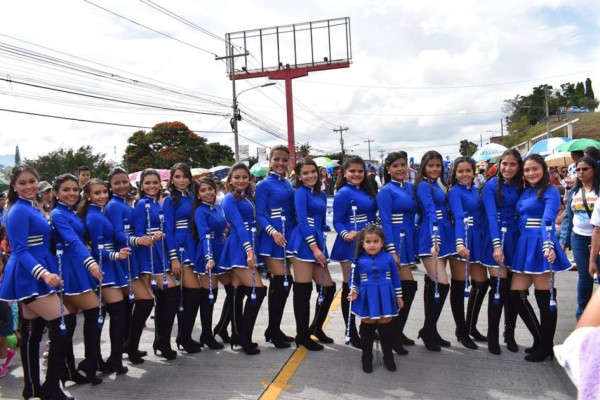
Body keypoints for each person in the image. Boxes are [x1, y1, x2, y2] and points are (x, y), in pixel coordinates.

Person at [0, 165, 75, 400]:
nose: (29, 186)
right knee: (65, 321)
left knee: (33, 332)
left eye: (32, 181)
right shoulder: (19, 211)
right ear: (14, 186)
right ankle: (51, 385)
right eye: (22, 183)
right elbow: (20, 250)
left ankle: (32, 387)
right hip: (28, 275)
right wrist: (43, 274)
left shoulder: (31, 207)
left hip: (36, 271)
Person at [510, 154, 572, 362]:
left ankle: (546, 346)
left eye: (535, 169)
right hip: (524, 244)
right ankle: (540, 338)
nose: (531, 173)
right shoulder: (526, 190)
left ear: (544, 170)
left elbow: (547, 220)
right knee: (516, 294)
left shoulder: (551, 191)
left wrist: (547, 245)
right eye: (527, 170)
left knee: (545, 297)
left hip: (539, 244)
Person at [50, 174, 104, 385]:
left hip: (76, 265)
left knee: (69, 321)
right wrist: (90, 262)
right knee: (94, 312)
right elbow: (72, 240)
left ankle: (69, 369)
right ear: (56, 193)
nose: (72, 193)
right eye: (66, 190)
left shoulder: (70, 211)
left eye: (74, 189)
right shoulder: (57, 214)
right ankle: (87, 365)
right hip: (71, 267)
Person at [79, 179, 132, 374]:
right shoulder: (94, 217)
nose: (102, 196)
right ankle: (106, 360)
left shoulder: (98, 213)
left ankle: (104, 359)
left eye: (104, 192)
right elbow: (96, 250)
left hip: (111, 266)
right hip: (104, 268)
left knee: (113, 315)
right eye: (97, 193)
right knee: (116, 314)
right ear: (88, 196)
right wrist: (116, 255)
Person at [105, 167, 153, 365]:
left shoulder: (125, 203)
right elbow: (117, 234)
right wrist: (137, 240)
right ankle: (128, 347)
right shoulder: (114, 205)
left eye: (124, 181)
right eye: (117, 183)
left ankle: (128, 346)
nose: (122, 185)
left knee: (130, 306)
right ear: (110, 186)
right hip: (121, 259)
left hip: (130, 258)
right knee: (146, 300)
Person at [330, 156, 377, 348]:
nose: (356, 174)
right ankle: (350, 331)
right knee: (351, 286)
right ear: (344, 173)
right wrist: (345, 234)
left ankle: (368, 327)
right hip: (349, 244)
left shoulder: (367, 191)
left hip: (369, 242)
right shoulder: (342, 193)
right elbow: (337, 220)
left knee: (367, 285)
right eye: (352, 171)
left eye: (360, 171)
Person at [219, 163, 266, 355]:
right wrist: (249, 251)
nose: (241, 181)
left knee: (237, 293)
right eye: (236, 177)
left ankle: (235, 334)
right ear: (230, 180)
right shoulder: (229, 199)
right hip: (239, 247)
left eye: (244, 177)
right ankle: (245, 338)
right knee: (258, 290)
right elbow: (238, 226)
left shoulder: (249, 196)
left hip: (249, 244)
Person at [481, 149, 524, 355]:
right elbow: (490, 216)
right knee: (498, 288)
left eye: (512, 164)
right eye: (504, 164)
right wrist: (497, 245)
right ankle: (493, 335)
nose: (507, 168)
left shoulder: (520, 184)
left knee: (514, 292)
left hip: (516, 239)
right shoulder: (490, 186)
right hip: (495, 238)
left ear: (518, 166)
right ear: (498, 165)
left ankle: (510, 333)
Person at [133, 169, 178, 360]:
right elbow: (137, 231)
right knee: (168, 294)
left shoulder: (158, 203)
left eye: (155, 182)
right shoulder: (142, 204)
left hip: (160, 254)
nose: (151, 186)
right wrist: (152, 237)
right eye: (147, 183)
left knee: (163, 299)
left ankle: (159, 341)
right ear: (141, 186)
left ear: (161, 183)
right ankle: (157, 342)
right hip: (148, 255)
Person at [376, 151, 418, 355]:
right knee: (407, 287)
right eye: (395, 166)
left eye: (403, 165)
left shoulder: (410, 188)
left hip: (409, 240)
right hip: (396, 242)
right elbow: (385, 221)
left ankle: (394, 331)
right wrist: (392, 250)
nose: (400, 169)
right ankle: (392, 333)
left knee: (403, 289)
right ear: (388, 169)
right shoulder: (386, 191)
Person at [161, 163, 205, 353]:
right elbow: (168, 230)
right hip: (180, 247)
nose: (181, 180)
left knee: (192, 296)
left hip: (194, 244)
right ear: (171, 179)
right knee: (193, 293)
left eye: (184, 176)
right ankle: (180, 337)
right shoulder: (170, 200)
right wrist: (173, 258)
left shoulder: (194, 196)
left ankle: (184, 336)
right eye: (177, 177)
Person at [288, 158, 331, 351]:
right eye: (305, 173)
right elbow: (303, 222)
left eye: (312, 171)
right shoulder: (300, 193)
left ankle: (316, 326)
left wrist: (322, 245)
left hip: (317, 240)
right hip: (303, 241)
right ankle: (302, 336)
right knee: (303, 290)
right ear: (299, 176)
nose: (310, 176)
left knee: (328, 287)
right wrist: (314, 248)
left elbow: (322, 223)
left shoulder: (320, 194)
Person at [414, 150, 455, 351]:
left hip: (443, 233)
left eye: (438, 165)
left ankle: (431, 329)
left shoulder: (438, 184)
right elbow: (430, 213)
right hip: (431, 235)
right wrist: (435, 239)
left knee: (433, 284)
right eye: (431, 165)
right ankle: (428, 329)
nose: (435, 169)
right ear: (424, 167)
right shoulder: (423, 186)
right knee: (442, 283)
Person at [255, 145, 295, 349]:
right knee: (281, 282)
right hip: (272, 238)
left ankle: (274, 328)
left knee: (284, 285)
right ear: (269, 161)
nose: (280, 163)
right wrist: (272, 232)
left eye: (284, 159)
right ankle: (272, 330)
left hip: (287, 237)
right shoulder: (263, 185)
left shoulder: (288, 184)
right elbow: (260, 214)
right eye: (276, 159)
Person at [349, 224, 403, 373]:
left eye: (375, 241)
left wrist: (399, 296)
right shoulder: (357, 261)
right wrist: (354, 291)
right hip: (367, 297)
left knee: (386, 326)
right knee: (367, 326)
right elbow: (354, 281)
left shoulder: (388, 258)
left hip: (386, 295)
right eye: (368, 242)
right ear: (362, 243)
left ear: (382, 243)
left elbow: (395, 278)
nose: (372, 245)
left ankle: (388, 357)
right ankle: (366, 357)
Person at [447, 157, 485, 350]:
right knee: (460, 285)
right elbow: (459, 217)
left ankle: (471, 326)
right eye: (460, 171)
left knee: (482, 283)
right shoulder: (455, 192)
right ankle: (461, 330)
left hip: (477, 239)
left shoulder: (475, 190)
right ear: (454, 173)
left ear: (473, 172)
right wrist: (460, 242)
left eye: (468, 171)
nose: (464, 175)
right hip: (461, 239)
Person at [560, 156, 599, 320]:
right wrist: (564, 240)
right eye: (578, 169)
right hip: (579, 238)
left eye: (585, 169)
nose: (581, 172)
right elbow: (568, 217)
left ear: (594, 170)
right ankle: (582, 315)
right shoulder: (575, 191)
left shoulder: (598, 191)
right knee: (585, 276)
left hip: (597, 237)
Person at [191, 178, 228, 350]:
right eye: (203, 190)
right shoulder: (200, 211)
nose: (207, 193)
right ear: (197, 195)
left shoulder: (219, 207)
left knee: (234, 289)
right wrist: (209, 258)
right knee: (209, 296)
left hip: (221, 251)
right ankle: (206, 334)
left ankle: (222, 327)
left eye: (210, 189)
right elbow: (204, 235)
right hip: (208, 253)